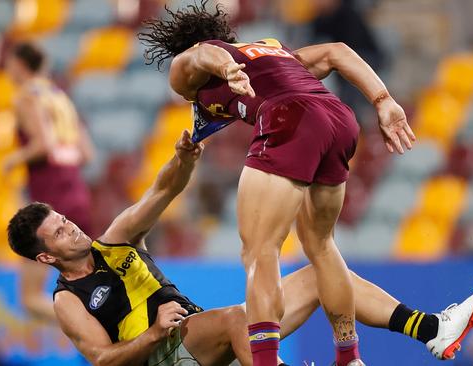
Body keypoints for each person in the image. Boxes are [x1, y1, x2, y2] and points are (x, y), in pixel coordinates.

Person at [6, 130, 473, 366]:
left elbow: (161, 193)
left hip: (198, 344)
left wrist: (183, 159)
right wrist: (153, 334)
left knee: (316, 275)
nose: (72, 228)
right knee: (242, 318)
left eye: (66, 220)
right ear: (45, 256)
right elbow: (101, 359)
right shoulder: (67, 299)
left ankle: (431, 328)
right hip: (163, 357)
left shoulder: (115, 239)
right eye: (60, 232)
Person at [138, 1, 415, 364]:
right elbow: (337, 52)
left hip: (290, 117)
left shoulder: (192, 64)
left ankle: (266, 361)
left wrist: (226, 68)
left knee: (260, 250)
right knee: (320, 244)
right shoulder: (273, 51)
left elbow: (202, 55)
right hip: (338, 119)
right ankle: (349, 357)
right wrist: (383, 100)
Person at [4, 42, 95, 323]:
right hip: (77, 193)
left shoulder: (26, 98)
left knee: (30, 299)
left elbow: (42, 145)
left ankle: (92, 326)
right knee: (90, 281)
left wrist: (12, 160)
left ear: (19, 65)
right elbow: (87, 153)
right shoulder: (60, 97)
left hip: (48, 205)